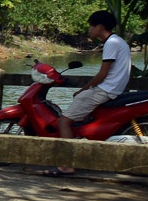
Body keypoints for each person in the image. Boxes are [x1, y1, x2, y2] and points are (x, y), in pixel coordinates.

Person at [50, 10, 132, 174]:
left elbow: (103, 74)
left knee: (63, 122)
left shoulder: (111, 43)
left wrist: (83, 89)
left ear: (100, 26)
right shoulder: (118, 41)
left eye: (91, 26)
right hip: (113, 89)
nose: (89, 30)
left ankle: (66, 165)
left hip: (105, 89)